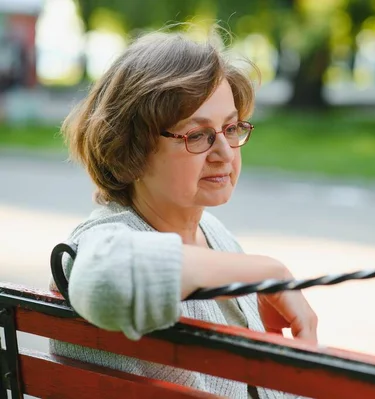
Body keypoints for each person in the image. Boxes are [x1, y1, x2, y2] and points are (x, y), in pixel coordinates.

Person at [49, 27, 318, 399]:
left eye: (231, 127)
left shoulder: (213, 233)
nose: (224, 151)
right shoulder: (105, 240)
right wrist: (267, 271)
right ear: (133, 148)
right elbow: (100, 278)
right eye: (197, 135)